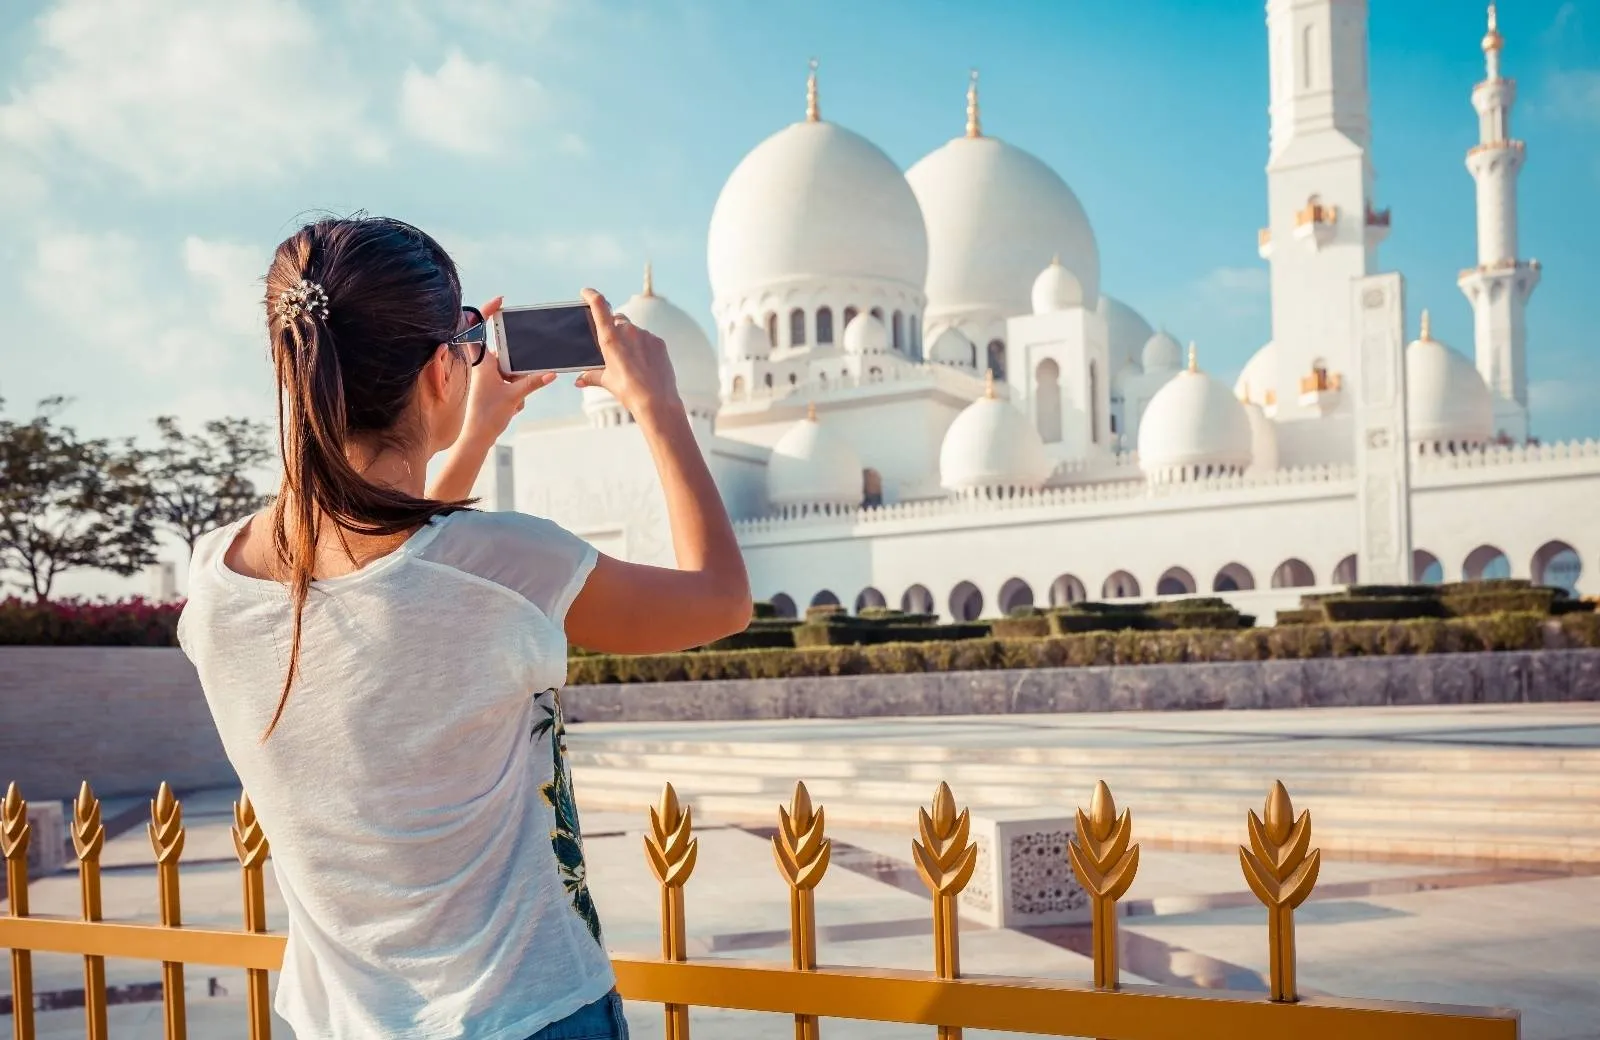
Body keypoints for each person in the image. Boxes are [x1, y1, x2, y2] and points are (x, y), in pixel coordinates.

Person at [178, 215, 751, 1040]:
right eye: (465, 341)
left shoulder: (212, 580)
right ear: (441, 368)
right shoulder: (508, 566)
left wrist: (474, 429)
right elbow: (721, 600)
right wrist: (660, 406)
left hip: (336, 1023)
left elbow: (392, 580)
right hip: (528, 1013)